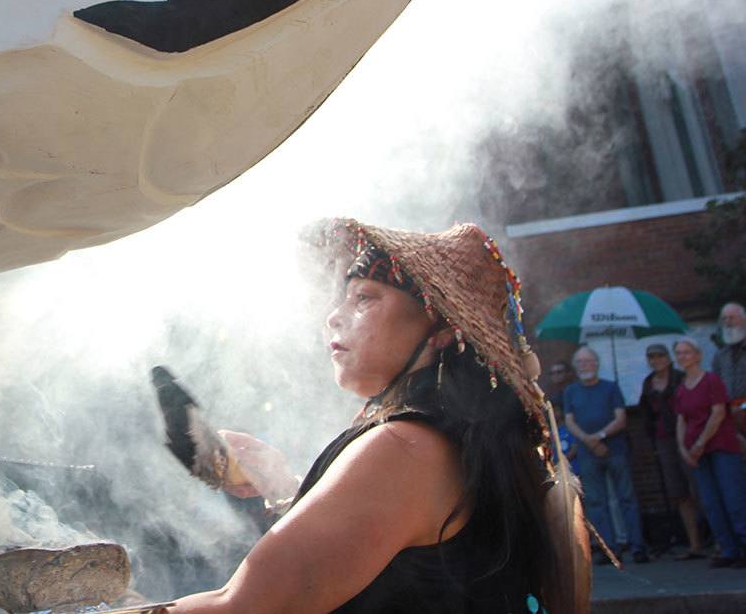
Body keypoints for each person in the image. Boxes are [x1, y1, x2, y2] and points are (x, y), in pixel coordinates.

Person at [165, 220, 589, 614]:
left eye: (364, 297)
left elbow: (244, 607)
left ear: (439, 328)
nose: (333, 315)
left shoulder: (405, 449)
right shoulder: (445, 438)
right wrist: (278, 484)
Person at [562, 346, 650, 564]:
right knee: (595, 502)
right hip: (587, 453)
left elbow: (620, 419)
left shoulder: (611, 388)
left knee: (626, 498)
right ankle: (609, 548)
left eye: (588, 361)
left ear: (597, 364)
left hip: (614, 450)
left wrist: (599, 436)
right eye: (580, 362)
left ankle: (637, 546)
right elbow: (570, 421)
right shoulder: (571, 391)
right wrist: (588, 440)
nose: (584, 365)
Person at [673, 338, 746, 568]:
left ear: (698, 355)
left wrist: (700, 444)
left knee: (733, 498)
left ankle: (743, 546)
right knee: (711, 502)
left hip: (721, 447)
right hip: (697, 454)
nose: (683, 356)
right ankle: (727, 549)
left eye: (686, 352)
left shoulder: (711, 380)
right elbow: (681, 421)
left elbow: (718, 413)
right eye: (679, 353)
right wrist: (683, 449)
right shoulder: (682, 388)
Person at [639, 343, 706, 559]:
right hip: (663, 441)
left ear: (668, 358)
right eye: (652, 357)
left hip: (687, 437)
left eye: (660, 356)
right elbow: (646, 413)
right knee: (678, 493)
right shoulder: (648, 383)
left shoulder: (679, 378)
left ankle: (712, 537)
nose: (656, 360)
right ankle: (693, 543)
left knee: (698, 488)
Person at [710, 302, 746, 452]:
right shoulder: (720, 356)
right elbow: (715, 389)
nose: (728, 322)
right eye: (724, 319)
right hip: (730, 418)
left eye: (732, 317)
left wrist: (742, 407)